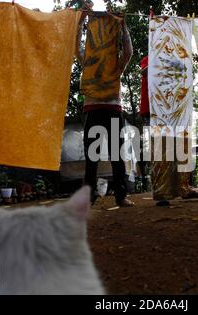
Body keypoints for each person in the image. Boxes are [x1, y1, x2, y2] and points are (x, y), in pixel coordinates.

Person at [76, 1, 135, 207]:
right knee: (93, 156)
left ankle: (121, 195)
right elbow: (76, 47)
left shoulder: (115, 65)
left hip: (111, 108)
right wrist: (81, 20)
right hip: (93, 108)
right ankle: (89, 197)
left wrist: (123, 25)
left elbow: (128, 52)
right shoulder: (88, 62)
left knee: (117, 154)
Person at [140, 56, 198, 207]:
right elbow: (145, 72)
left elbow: (183, 73)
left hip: (174, 109)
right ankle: (162, 193)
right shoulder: (151, 56)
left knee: (182, 148)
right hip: (155, 111)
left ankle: (184, 188)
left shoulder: (175, 58)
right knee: (161, 153)